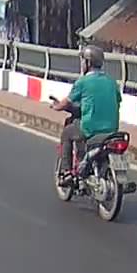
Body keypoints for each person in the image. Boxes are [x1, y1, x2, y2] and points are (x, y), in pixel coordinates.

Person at [50, 46, 121, 185]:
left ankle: (66, 172)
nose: (82, 64)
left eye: (83, 61)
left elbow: (66, 102)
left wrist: (57, 106)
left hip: (91, 128)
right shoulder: (112, 82)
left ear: (88, 63)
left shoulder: (82, 82)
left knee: (67, 133)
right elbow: (117, 101)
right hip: (112, 129)